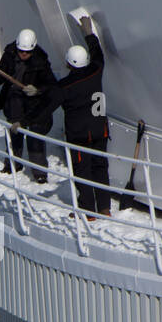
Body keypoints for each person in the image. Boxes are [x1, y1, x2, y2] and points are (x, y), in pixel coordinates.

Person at [47, 16, 111, 217]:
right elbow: (98, 55)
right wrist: (89, 34)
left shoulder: (64, 86)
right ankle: (104, 208)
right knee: (100, 168)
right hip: (100, 130)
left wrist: (24, 121)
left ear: (68, 63)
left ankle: (88, 210)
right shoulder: (96, 71)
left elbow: (46, 105)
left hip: (80, 136)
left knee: (82, 172)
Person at [0, 28, 56, 183]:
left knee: (35, 137)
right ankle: (12, 165)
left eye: (27, 52)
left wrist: (37, 90)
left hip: (34, 103)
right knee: (14, 131)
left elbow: (52, 85)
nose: (24, 54)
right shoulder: (10, 55)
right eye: (21, 51)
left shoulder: (41, 61)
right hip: (15, 99)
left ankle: (39, 174)